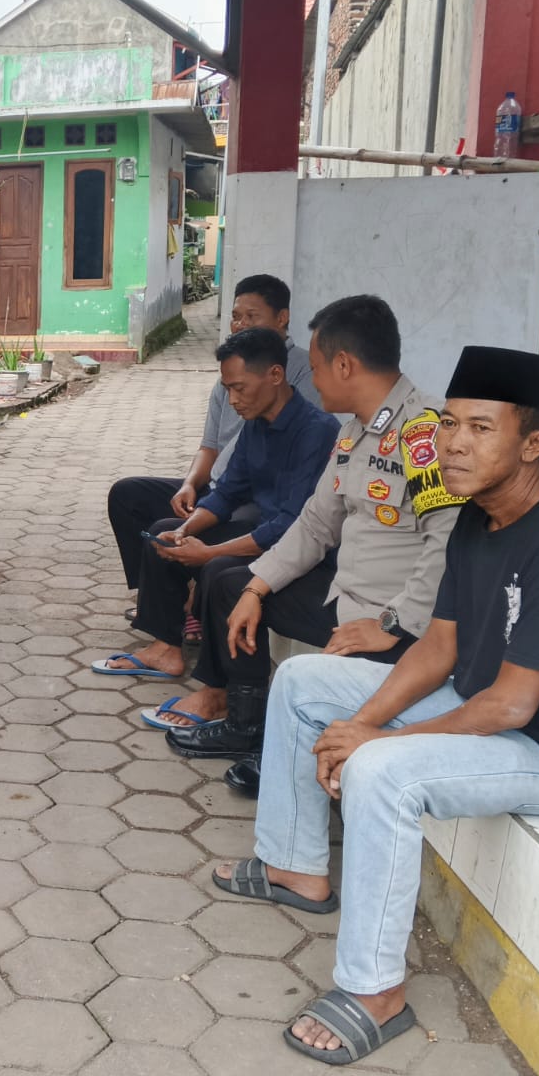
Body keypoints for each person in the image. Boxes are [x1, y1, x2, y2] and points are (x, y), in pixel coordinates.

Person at [213, 345, 539, 1065]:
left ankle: (375, 994)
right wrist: (359, 722)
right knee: (303, 681)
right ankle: (295, 866)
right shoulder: (476, 516)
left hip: (536, 750)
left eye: (481, 429)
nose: (453, 443)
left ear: (535, 444)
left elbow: (513, 706)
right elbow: (438, 649)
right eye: (449, 423)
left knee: (381, 772)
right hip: (471, 700)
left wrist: (374, 744)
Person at [162, 296, 465, 799]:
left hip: (397, 625)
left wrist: (392, 624)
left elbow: (447, 543)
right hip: (345, 602)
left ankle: (283, 753)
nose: (313, 379)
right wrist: (256, 589)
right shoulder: (354, 433)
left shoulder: (423, 434)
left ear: (344, 365)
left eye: (318, 367)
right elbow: (316, 523)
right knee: (231, 586)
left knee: (250, 603)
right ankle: (245, 725)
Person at [92, 327, 338, 678]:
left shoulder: (317, 431)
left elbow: (291, 526)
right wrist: (185, 530)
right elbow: (226, 493)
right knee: (164, 534)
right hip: (266, 531)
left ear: (275, 375)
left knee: (218, 570)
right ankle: (166, 649)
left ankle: (217, 687)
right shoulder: (255, 424)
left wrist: (208, 553)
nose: (233, 400)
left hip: (298, 548)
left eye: (239, 388)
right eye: (227, 389)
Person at [106, 274, 322, 619]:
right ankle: (159, 601)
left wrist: (207, 547)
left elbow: (287, 516)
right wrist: (190, 486)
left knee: (212, 555)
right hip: (224, 487)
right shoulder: (234, 380)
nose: (240, 324)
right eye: (236, 316)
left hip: (257, 500)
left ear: (282, 319)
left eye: (251, 316)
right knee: (132, 499)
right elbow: (211, 448)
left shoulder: (304, 388)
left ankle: (186, 605)